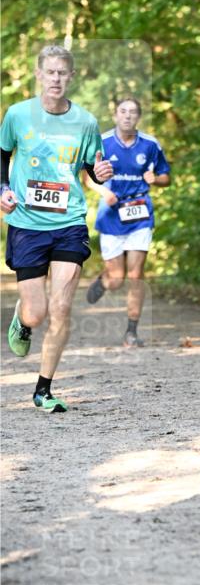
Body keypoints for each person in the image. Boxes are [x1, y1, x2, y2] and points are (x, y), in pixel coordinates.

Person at [1, 44, 113, 412]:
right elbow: (2, 158)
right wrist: (2, 189)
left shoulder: (86, 122)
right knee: (37, 313)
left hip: (69, 223)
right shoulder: (17, 115)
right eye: (50, 72)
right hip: (27, 224)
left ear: (72, 76)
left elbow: (90, 166)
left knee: (61, 308)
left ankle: (43, 389)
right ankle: (24, 317)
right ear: (38, 75)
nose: (56, 79)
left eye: (63, 73)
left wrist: (101, 173)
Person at [85, 97, 171, 346]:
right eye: (123, 111)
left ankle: (131, 331)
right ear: (115, 116)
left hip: (140, 213)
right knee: (117, 279)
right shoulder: (102, 142)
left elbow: (167, 177)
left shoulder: (150, 144)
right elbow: (88, 177)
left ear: (138, 117)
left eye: (133, 112)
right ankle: (105, 281)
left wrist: (155, 179)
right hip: (112, 214)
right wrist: (103, 192)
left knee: (136, 275)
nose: (127, 116)